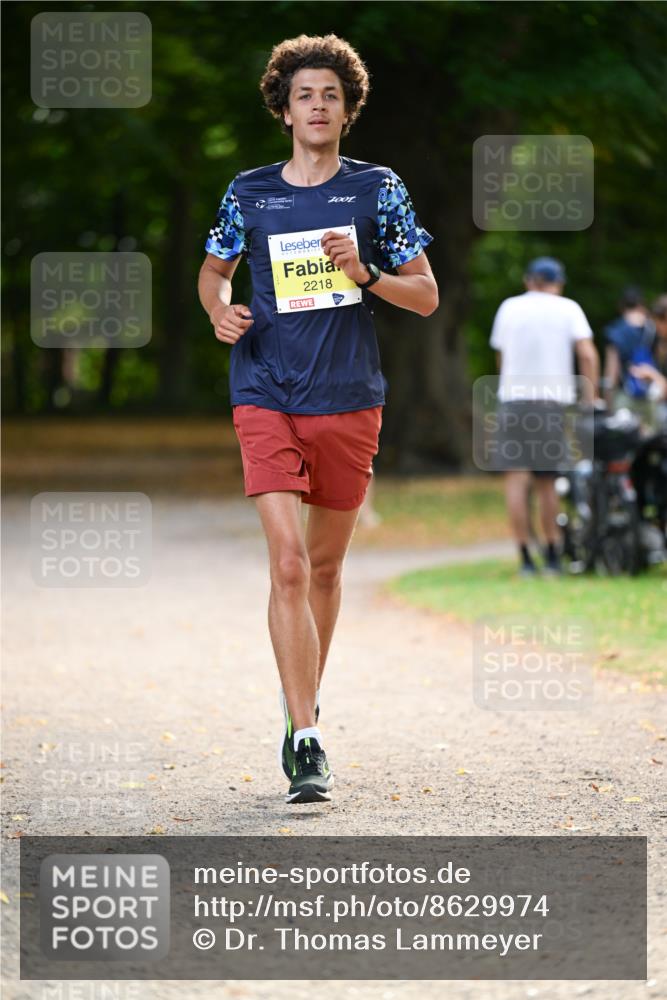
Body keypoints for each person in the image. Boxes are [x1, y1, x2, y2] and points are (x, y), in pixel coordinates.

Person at [197, 34, 438, 804]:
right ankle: (305, 738)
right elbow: (213, 272)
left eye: (331, 95)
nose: (318, 106)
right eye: (304, 94)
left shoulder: (377, 190)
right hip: (264, 388)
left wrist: (364, 272)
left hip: (348, 396)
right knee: (289, 566)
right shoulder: (249, 192)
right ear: (283, 108)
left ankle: (302, 699)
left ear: (347, 109)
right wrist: (219, 311)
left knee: (326, 569)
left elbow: (424, 294)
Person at [489, 257, 600, 576]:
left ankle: (525, 558)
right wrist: (590, 397)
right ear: (558, 283)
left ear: (529, 281)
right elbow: (587, 354)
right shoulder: (568, 308)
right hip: (549, 405)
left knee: (515, 481)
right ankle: (552, 555)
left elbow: (501, 356)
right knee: (546, 482)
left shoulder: (509, 307)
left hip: (513, 403)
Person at [602, 286, 655, 405]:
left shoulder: (615, 330)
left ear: (621, 306)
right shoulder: (655, 327)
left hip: (625, 395)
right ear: (642, 304)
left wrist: (607, 400)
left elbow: (612, 370)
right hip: (652, 393)